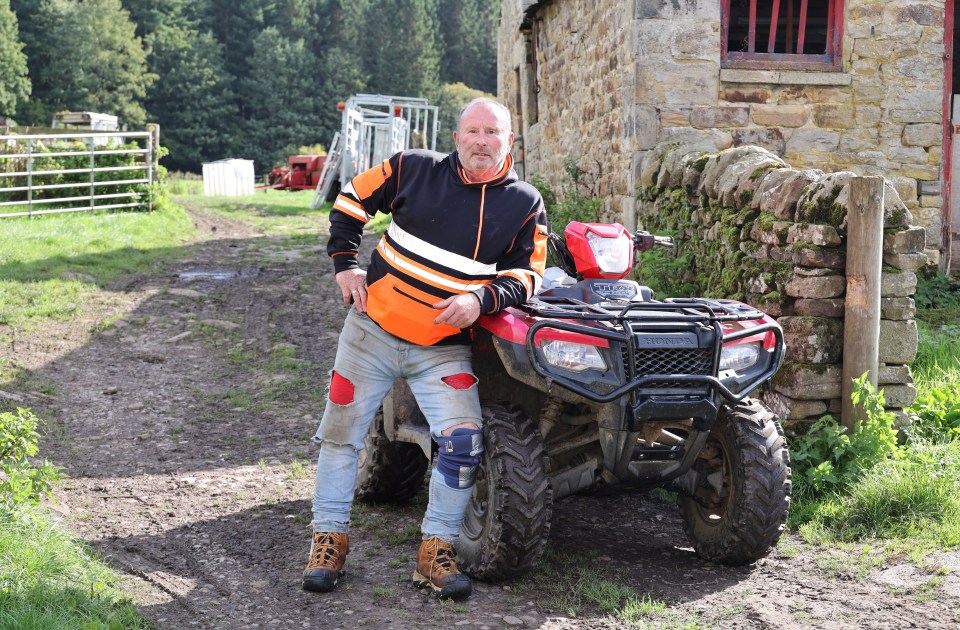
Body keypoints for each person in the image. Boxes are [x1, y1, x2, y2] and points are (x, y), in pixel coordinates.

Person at [302, 98, 547, 600]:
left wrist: (483, 298)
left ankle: (435, 551)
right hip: (370, 332)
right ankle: (328, 543)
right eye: (473, 131)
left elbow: (529, 274)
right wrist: (345, 265)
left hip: (442, 347)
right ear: (457, 137)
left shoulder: (525, 202)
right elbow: (351, 200)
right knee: (341, 434)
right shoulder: (413, 168)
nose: (482, 141)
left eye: (492, 133)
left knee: (462, 443)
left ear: (509, 141)